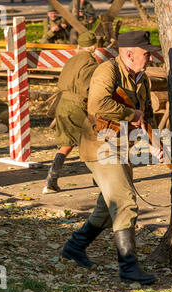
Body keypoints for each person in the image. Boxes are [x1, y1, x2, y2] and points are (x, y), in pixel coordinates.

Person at [61, 31, 162, 285]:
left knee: (107, 209)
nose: (150, 58)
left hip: (119, 145)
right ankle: (128, 267)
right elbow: (97, 106)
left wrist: (154, 143)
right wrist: (131, 113)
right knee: (125, 203)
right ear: (129, 54)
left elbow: (144, 115)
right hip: (99, 145)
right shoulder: (107, 71)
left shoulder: (142, 79)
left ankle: (74, 247)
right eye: (146, 53)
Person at [43, 32, 99, 194]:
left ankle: (50, 181)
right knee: (93, 141)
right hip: (77, 106)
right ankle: (99, 179)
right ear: (94, 47)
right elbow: (88, 89)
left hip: (62, 103)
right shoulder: (90, 63)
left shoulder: (71, 60)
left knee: (66, 144)